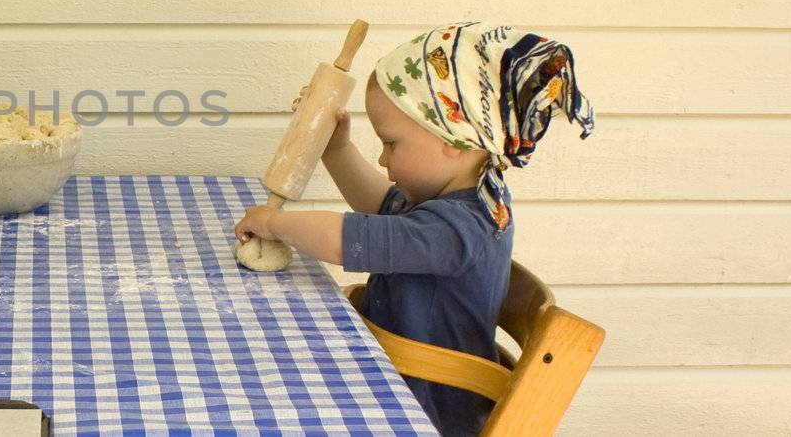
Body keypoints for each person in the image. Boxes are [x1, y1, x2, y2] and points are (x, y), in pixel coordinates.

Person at [235, 22, 594, 435]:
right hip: (390, 381)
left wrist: (275, 223)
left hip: (423, 410)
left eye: (391, 143)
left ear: (454, 139)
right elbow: (380, 206)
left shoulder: (459, 228)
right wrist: (336, 149)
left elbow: (351, 240)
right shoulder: (455, 203)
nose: (384, 160)